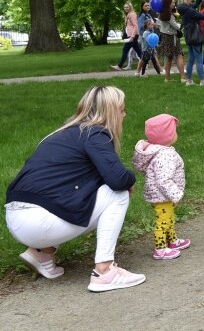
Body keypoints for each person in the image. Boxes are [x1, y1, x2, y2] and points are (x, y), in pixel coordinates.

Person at [4, 85, 146, 292]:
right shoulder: (95, 133)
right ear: (111, 111)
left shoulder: (64, 133)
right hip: (39, 220)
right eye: (122, 109)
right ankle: (105, 271)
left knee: (84, 195)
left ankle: (41, 253)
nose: (124, 115)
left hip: (15, 217)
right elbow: (118, 179)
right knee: (118, 194)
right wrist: (131, 179)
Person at [132, 114, 190, 260]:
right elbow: (164, 180)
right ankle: (160, 248)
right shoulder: (165, 155)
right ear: (168, 136)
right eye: (174, 131)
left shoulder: (156, 151)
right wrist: (176, 194)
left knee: (168, 217)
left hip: (159, 194)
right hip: (162, 195)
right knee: (163, 221)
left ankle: (172, 241)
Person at [177, 0, 204, 86]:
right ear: (186, 0)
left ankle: (189, 80)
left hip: (189, 37)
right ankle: (202, 81)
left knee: (191, 59)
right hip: (196, 37)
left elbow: (194, 5)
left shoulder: (184, 9)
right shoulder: (189, 10)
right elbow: (203, 16)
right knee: (199, 60)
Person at [157, 0, 187, 83]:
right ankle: (183, 77)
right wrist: (181, 24)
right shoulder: (169, 15)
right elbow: (176, 27)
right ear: (168, 4)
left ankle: (167, 78)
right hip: (171, 37)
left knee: (168, 57)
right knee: (179, 55)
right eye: (173, 2)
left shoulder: (161, 14)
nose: (174, 4)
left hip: (165, 37)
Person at [111, 1, 143, 72]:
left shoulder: (132, 14)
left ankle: (119, 66)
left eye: (127, 7)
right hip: (131, 35)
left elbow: (135, 26)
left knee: (125, 50)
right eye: (125, 7)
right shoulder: (128, 15)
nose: (126, 8)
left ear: (130, 7)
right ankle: (144, 62)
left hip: (133, 35)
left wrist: (132, 36)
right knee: (138, 50)